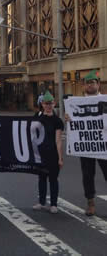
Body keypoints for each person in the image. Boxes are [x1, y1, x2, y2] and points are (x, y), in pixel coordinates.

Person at [65, 70, 107, 216]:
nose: (90, 85)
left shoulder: (105, 100)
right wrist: (68, 118)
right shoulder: (76, 103)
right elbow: (74, 122)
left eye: (93, 82)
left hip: (104, 145)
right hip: (86, 145)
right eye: (87, 83)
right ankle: (90, 203)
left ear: (98, 84)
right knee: (88, 174)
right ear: (84, 86)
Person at [33, 91, 64, 214]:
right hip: (40, 153)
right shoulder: (37, 117)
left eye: (51, 103)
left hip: (52, 153)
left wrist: (60, 158)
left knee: (53, 179)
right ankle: (41, 202)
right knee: (41, 178)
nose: (49, 105)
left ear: (54, 103)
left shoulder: (57, 121)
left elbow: (58, 141)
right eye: (46, 103)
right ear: (42, 104)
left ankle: (54, 204)